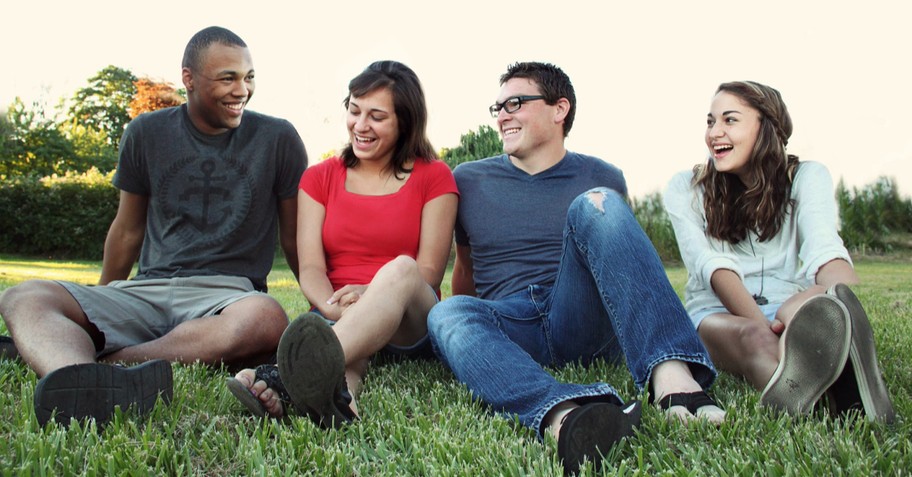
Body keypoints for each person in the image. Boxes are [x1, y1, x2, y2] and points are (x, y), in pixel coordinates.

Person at [426, 62, 726, 476]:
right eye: (497, 107)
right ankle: (563, 414)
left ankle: (672, 379)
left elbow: (619, 260)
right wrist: (471, 335)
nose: (502, 115)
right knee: (447, 311)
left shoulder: (603, 175)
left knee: (596, 202)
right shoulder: (470, 179)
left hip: (579, 315)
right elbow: (466, 269)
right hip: (513, 323)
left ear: (559, 108)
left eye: (515, 102)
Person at [0, 26, 308, 426]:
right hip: (147, 288)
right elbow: (127, 230)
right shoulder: (146, 132)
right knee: (23, 296)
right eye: (227, 78)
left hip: (228, 295)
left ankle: (105, 367)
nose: (242, 90)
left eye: (249, 77)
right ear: (189, 79)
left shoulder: (277, 138)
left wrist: (323, 306)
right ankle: (71, 371)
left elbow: (294, 237)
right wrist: (97, 303)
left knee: (267, 318)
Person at [227, 60, 458, 427]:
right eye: (354, 111)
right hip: (337, 313)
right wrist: (334, 309)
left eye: (377, 116)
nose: (360, 125)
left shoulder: (435, 176)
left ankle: (286, 375)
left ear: (405, 121)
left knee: (401, 268)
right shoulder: (319, 178)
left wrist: (370, 293)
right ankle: (337, 404)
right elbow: (312, 268)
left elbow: (428, 271)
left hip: (409, 319)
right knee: (347, 359)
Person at [663, 80, 895, 423]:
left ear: (766, 126)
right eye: (710, 121)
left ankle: (842, 363)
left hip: (789, 306)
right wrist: (768, 329)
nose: (714, 133)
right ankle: (830, 400)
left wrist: (837, 297)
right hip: (715, 312)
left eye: (729, 120)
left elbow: (824, 250)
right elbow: (711, 268)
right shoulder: (686, 187)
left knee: (818, 302)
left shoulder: (807, 177)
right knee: (754, 337)